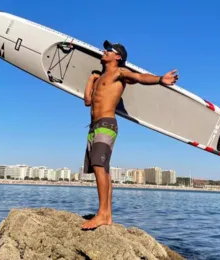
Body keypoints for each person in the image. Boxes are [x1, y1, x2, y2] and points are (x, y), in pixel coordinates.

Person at [81, 40, 179, 230]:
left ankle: (101, 214)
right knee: (103, 170)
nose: (104, 51)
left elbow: (140, 77)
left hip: (106, 123)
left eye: (108, 50)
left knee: (98, 165)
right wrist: (91, 79)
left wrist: (160, 79)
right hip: (93, 126)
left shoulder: (119, 73)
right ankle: (107, 215)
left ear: (117, 56)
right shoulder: (101, 78)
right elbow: (87, 101)